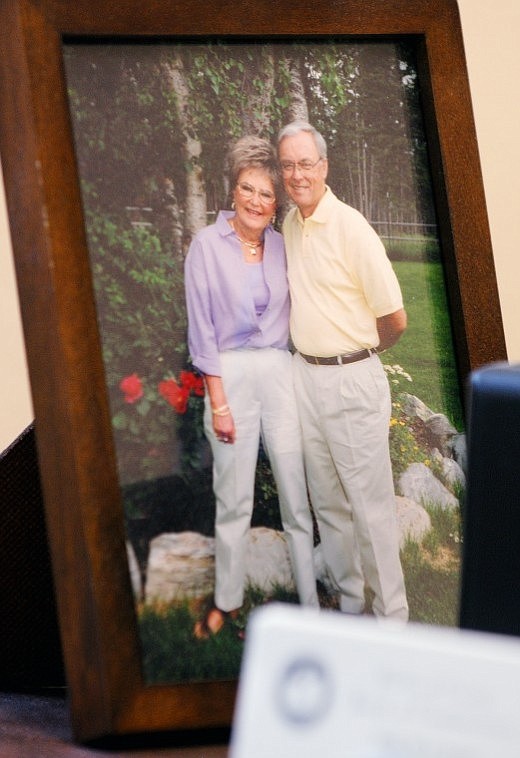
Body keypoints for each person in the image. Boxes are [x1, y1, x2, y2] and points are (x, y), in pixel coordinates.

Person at [184, 135, 319, 638]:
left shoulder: (283, 245)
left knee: (295, 496)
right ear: (233, 189)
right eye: (248, 189)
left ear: (275, 201)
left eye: (266, 194)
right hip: (230, 379)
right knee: (234, 498)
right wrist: (218, 404)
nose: (257, 202)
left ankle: (310, 608)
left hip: (279, 374)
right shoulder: (205, 246)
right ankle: (228, 601)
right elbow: (201, 332)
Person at [277, 120, 409, 621]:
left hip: (351, 378)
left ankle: (392, 620)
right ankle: (352, 609)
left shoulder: (352, 227)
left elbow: (395, 318)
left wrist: (357, 357)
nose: (296, 174)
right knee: (329, 504)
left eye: (305, 163)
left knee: (371, 510)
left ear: (324, 166)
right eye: (287, 165)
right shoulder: (290, 224)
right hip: (303, 378)